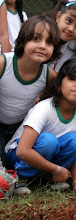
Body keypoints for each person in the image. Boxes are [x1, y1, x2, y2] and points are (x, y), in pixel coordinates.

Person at [5, 58, 76, 195]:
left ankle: (52, 179)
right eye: (72, 79)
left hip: (48, 155)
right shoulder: (44, 108)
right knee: (49, 141)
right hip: (17, 154)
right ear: (59, 85)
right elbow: (22, 151)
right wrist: (56, 169)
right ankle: (20, 177)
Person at [0, 15, 61, 168]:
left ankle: (22, 174)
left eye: (49, 42)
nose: (42, 46)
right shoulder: (3, 63)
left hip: (20, 130)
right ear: (23, 40)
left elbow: (66, 91)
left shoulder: (49, 76)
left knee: (47, 142)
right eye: (36, 39)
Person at [46, 1, 76, 72]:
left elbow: (57, 73)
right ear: (58, 16)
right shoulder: (42, 32)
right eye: (69, 21)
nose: (71, 29)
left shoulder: (71, 45)